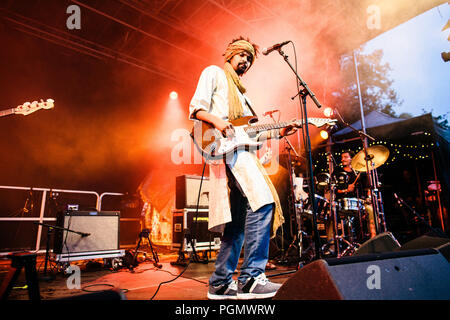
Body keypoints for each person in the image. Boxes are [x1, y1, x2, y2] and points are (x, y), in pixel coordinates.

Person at [189, 37, 297, 300]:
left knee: (237, 222)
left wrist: (279, 133)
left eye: (249, 58)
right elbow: (196, 108)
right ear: (229, 55)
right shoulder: (214, 73)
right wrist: (218, 122)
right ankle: (251, 279)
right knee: (263, 203)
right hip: (228, 151)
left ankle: (221, 283)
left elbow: (251, 136)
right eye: (242, 55)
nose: (246, 61)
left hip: (241, 152)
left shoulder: (244, 98)